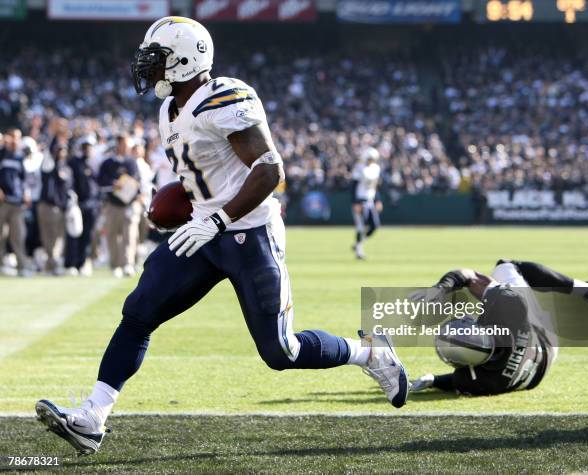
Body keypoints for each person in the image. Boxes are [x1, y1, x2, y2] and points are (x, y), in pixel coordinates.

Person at [35, 16, 408, 455]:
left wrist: (217, 218)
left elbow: (269, 170)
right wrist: (175, 205)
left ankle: (370, 353)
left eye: (157, 59)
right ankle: (93, 416)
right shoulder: (167, 109)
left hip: (247, 233)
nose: (148, 68)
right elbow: (203, 178)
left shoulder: (224, 97)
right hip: (202, 232)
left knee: (280, 351)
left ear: (185, 61)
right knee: (138, 312)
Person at [409, 260, 588, 396]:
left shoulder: (478, 381)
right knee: (507, 265)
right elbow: (468, 275)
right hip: (542, 338)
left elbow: (455, 380)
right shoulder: (511, 309)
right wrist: (441, 288)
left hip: (536, 372)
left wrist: (433, 380)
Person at [97, 134, 141, 278]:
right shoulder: (107, 163)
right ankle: (115, 265)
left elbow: (136, 181)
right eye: (124, 144)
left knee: (130, 235)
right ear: (118, 144)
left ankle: (127, 263)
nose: (127, 148)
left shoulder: (132, 162)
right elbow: (101, 182)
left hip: (129, 205)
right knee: (112, 235)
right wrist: (113, 184)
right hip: (113, 205)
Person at [65, 138, 100, 276]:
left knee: (87, 236)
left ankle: (83, 262)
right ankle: (71, 263)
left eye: (89, 146)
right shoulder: (74, 162)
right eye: (85, 146)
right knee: (74, 234)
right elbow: (70, 182)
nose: (87, 149)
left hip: (92, 205)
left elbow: (98, 183)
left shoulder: (95, 163)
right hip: (77, 204)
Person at [38, 145, 73, 275]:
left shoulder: (67, 168)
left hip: (61, 208)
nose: (61, 153)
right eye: (59, 150)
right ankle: (51, 264)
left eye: (63, 150)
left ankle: (52, 264)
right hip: (48, 205)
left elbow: (69, 187)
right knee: (48, 238)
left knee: (58, 238)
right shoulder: (48, 165)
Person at [0, 128, 30, 276]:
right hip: (2, 201)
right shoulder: (1, 153)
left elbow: (23, 179)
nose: (15, 140)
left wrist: (25, 193)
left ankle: (22, 267)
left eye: (17, 137)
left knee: (18, 235)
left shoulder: (19, 157)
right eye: (12, 137)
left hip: (16, 202)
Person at [351, 147, 383, 260]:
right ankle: (359, 251)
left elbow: (374, 186)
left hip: (370, 200)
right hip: (360, 200)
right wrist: (355, 202)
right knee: (361, 227)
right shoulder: (359, 168)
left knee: (374, 226)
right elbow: (353, 186)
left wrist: (378, 200)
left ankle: (357, 244)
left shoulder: (376, 168)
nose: (371, 160)